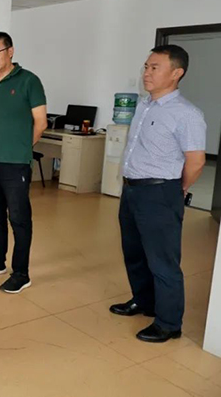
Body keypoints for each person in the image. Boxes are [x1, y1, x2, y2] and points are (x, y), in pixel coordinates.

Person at [110, 44, 206, 343]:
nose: (146, 73)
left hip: (160, 192)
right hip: (132, 190)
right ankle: (144, 301)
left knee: (162, 260)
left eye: (155, 68)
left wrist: (178, 189)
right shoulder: (144, 105)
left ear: (176, 73)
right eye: (146, 67)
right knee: (134, 253)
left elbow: (196, 161)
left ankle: (168, 323)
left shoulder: (187, 114)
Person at [0, 32, 47, 294]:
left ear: (10, 51)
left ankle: (21, 273)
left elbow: (41, 122)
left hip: (15, 163)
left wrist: (22, 149)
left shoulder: (29, 81)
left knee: (19, 218)